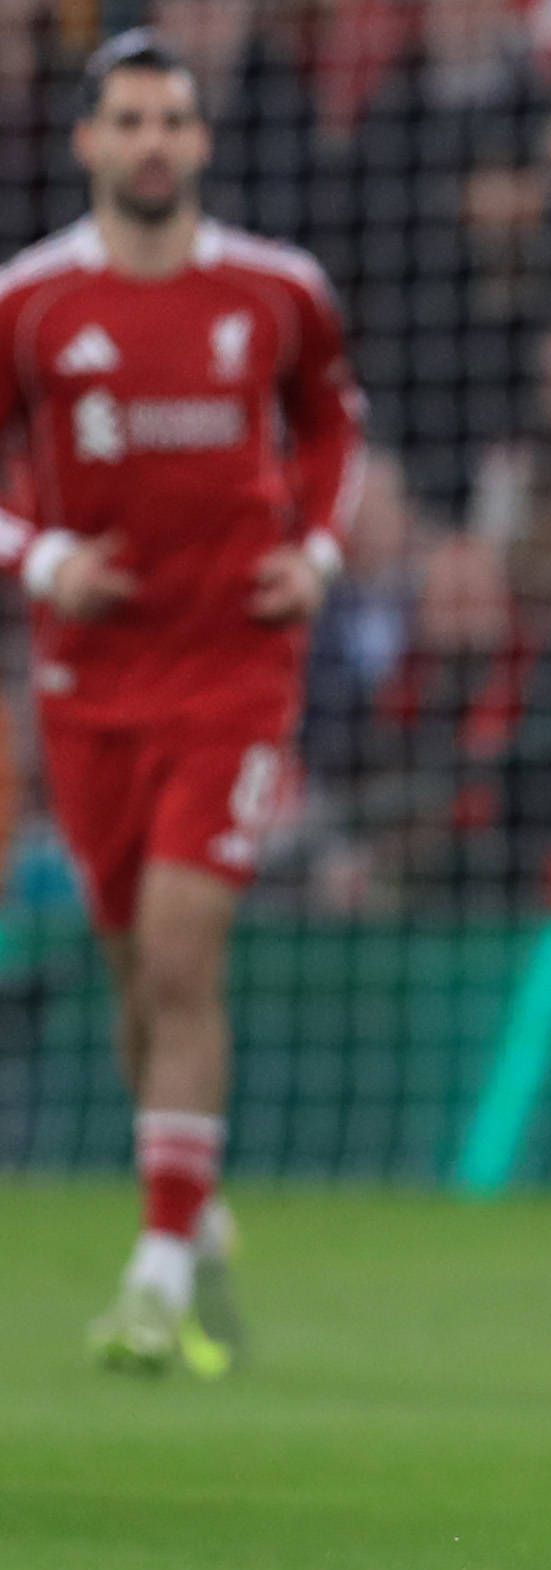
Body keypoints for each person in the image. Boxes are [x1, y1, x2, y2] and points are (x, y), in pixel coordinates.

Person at [0, 33, 364, 1376]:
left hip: (234, 668)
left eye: (175, 120)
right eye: (130, 121)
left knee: (178, 949)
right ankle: (192, 1202)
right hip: (86, 682)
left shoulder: (275, 292)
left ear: (203, 143)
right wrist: (41, 559)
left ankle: (154, 1275)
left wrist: (316, 557)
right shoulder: (31, 303)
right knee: (130, 970)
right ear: (89, 142)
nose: (154, 141)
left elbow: (336, 428)